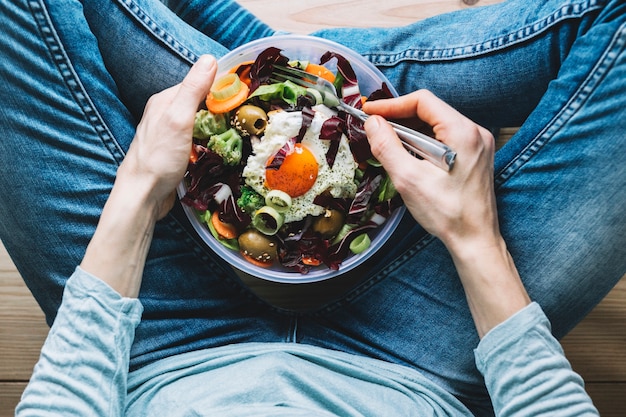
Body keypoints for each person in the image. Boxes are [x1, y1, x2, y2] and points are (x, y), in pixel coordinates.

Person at [1, 0, 624, 415]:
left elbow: (65, 399)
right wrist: (474, 236)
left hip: (153, 347)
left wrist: (138, 189)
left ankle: (263, 53)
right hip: (424, 360)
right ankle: (280, 56)